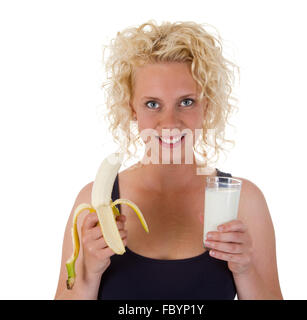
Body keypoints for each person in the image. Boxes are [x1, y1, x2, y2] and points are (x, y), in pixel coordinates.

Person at [55, 20, 282, 300]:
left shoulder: (244, 200)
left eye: (186, 102)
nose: (170, 122)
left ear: (206, 106)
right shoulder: (92, 201)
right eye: (153, 104)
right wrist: (89, 273)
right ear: (132, 110)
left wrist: (245, 270)